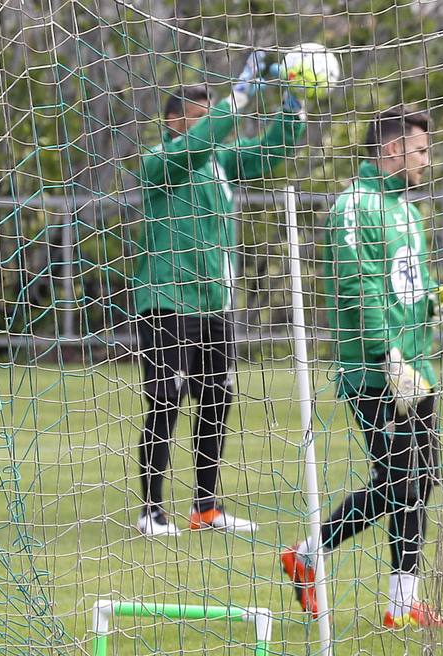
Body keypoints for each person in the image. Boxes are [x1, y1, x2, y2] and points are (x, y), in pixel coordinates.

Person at [281, 106, 443, 630]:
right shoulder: (352, 206)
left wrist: (439, 300)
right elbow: (358, 287)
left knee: (420, 478)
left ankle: (401, 603)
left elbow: (408, 281)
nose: (428, 161)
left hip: (418, 368)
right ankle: (308, 555)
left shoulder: (406, 210)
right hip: (375, 372)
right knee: (401, 481)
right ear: (392, 149)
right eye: (422, 150)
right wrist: (389, 356)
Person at [132, 53, 308, 536]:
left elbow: (271, 150)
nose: (210, 119)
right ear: (174, 121)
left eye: (213, 110)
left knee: (216, 399)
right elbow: (200, 143)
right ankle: (151, 510)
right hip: (167, 300)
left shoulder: (219, 162)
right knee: (166, 399)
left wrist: (293, 106)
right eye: (200, 112)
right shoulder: (160, 161)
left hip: (215, 303)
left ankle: (205, 507)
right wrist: (238, 98)